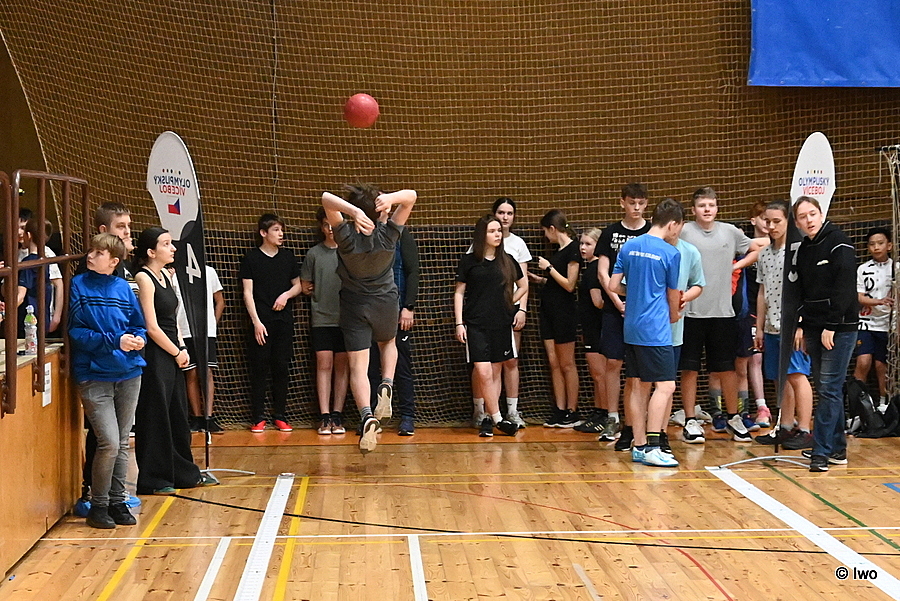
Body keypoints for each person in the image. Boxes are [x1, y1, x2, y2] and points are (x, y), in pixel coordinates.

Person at [321, 184, 417, 453]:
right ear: (380, 210)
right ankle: (387, 383)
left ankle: (366, 415)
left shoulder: (345, 237)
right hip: (385, 302)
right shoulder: (389, 234)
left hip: (354, 306)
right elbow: (411, 197)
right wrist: (391, 199)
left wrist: (353, 213)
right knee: (388, 344)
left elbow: (326, 199)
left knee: (358, 367)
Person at [69, 233, 146, 528]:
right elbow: (77, 332)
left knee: (123, 441)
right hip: (94, 374)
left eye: (99, 252)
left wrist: (138, 339)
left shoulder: (123, 287)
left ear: (113, 261)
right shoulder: (79, 285)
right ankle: (98, 505)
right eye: (91, 250)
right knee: (109, 442)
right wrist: (115, 340)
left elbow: (137, 324)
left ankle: (118, 501)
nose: (90, 255)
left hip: (129, 373)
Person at [133, 227, 216, 494]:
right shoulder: (144, 277)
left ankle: (184, 473)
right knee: (156, 416)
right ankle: (154, 479)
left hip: (172, 352)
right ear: (150, 251)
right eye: (166, 244)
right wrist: (175, 352)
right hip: (156, 355)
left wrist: (182, 347)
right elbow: (151, 326)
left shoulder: (167, 276)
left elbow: (173, 319)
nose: (173, 248)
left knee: (177, 415)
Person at [678, 187, 759, 444]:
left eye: (711, 205)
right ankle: (690, 420)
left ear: (717, 208)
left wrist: (736, 265)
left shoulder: (730, 232)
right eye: (702, 205)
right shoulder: (684, 231)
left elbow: (756, 248)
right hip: (690, 313)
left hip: (723, 313)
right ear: (693, 209)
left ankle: (733, 417)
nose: (707, 209)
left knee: (726, 367)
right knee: (689, 368)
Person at [609, 198, 683, 467]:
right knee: (666, 385)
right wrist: (673, 314)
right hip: (655, 329)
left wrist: (635, 293)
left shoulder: (629, 246)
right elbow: (673, 294)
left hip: (631, 327)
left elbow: (613, 285)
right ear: (673, 224)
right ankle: (653, 445)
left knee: (638, 385)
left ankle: (639, 446)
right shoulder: (671, 253)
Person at [792, 196, 859, 472]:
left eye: (812, 214)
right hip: (814, 327)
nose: (808, 220)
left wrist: (832, 325)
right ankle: (837, 449)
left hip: (838, 328)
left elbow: (845, 289)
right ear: (797, 223)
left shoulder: (839, 243)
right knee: (826, 388)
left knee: (830, 388)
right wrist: (802, 325)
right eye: (802, 217)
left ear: (821, 214)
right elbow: (801, 290)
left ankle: (820, 452)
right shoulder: (804, 249)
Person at [454, 215, 526, 437]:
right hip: (476, 324)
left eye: (498, 231)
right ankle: (497, 419)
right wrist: (459, 322)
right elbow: (459, 293)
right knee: (482, 371)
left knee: (495, 372)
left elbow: (523, 285)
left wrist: (510, 302)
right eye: (492, 231)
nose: (497, 235)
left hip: (501, 324)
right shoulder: (469, 261)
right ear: (481, 235)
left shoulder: (508, 260)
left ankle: (490, 418)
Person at [752, 199, 814, 449]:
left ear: (789, 222)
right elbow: (762, 292)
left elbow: (808, 290)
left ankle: (806, 429)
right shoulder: (765, 254)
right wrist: (760, 327)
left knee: (798, 375)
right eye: (767, 221)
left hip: (793, 326)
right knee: (781, 378)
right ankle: (785, 426)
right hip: (772, 326)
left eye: (777, 221)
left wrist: (801, 324)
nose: (771, 226)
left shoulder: (800, 251)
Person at [595, 183, 651, 448]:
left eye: (641, 203)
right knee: (613, 363)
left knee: (640, 368)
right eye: (631, 203)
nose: (636, 208)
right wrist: (618, 302)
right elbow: (602, 272)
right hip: (615, 308)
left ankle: (639, 420)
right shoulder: (610, 233)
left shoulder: (652, 232)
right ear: (622, 203)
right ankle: (612, 416)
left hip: (644, 311)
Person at [240, 213, 303, 433]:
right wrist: (256, 322)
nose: (281, 234)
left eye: (281, 230)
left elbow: (299, 285)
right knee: (259, 368)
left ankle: (280, 415)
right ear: (263, 233)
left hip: (283, 322)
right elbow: (247, 293)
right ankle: (258, 417)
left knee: (281, 367)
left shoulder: (288, 257)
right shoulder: (251, 258)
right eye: (276, 230)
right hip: (261, 322)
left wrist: (286, 295)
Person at [471, 198, 531, 428]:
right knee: (482, 366)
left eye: (509, 213)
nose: (505, 217)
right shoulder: (476, 250)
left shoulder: (517, 245)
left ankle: (511, 411)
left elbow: (522, 283)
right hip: (481, 316)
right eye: (501, 213)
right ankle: (482, 411)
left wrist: (520, 308)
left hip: (508, 312)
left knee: (509, 361)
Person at [300, 208, 349, 435]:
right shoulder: (314, 254)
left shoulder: (349, 251)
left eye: (333, 224)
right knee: (324, 365)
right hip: (322, 318)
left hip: (347, 319)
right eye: (326, 225)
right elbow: (304, 285)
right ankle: (325, 416)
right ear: (321, 227)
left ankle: (337, 415)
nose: (330, 229)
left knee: (343, 367)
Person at [368, 224, 420, 436]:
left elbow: (412, 270)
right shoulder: (363, 233)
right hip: (369, 310)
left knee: (401, 365)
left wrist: (408, 306)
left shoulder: (401, 234)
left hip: (396, 309)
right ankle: (372, 417)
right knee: (370, 366)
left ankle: (407, 416)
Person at [531, 210, 580, 427]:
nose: (545, 236)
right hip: (548, 310)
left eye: (545, 231)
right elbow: (556, 284)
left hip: (564, 312)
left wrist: (549, 268)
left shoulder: (573, 249)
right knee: (554, 362)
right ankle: (559, 409)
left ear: (552, 228)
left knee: (567, 363)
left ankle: (572, 410)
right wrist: (540, 280)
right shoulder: (558, 250)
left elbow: (569, 285)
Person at [173, 264, 225, 433]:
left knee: (207, 371)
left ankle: (209, 417)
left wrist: (212, 324)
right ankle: (196, 417)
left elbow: (220, 301)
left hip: (206, 331)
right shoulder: (174, 274)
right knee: (191, 372)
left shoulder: (209, 271)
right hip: (184, 330)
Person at [854, 227, 894, 410]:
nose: (876, 247)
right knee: (863, 362)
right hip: (866, 322)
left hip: (888, 325)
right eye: (872, 244)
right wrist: (879, 301)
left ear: (889, 245)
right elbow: (859, 297)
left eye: (880, 243)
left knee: (881, 365)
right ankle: (857, 407)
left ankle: (884, 403)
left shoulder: (896, 268)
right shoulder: (863, 269)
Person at [575, 228, 607, 433]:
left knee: (599, 374)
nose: (583, 248)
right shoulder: (591, 268)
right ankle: (598, 412)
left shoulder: (596, 269)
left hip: (598, 329)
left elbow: (598, 302)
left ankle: (605, 415)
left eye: (588, 244)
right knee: (596, 375)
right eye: (581, 243)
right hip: (590, 328)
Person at [17, 217, 64, 337]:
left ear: (28, 235)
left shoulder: (29, 262)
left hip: (27, 320)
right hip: (42, 318)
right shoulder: (44, 260)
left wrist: (3, 313)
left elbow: (20, 296)